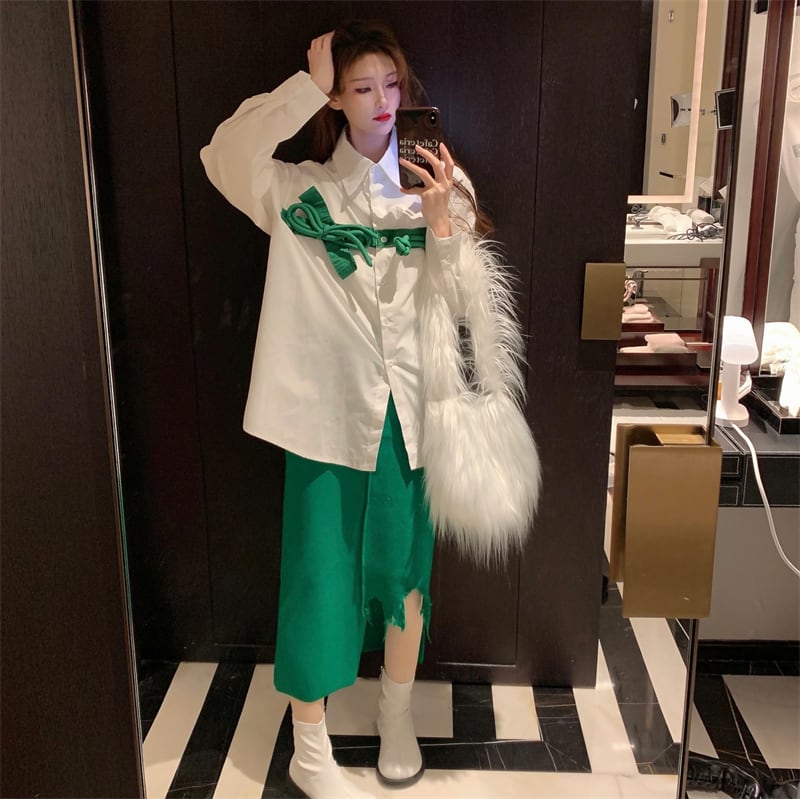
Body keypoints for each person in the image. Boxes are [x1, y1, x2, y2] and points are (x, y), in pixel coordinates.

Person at [200, 20, 493, 799]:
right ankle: (310, 747)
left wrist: (442, 225)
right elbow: (223, 156)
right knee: (318, 577)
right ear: (336, 99)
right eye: (361, 87)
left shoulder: (439, 182)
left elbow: (468, 305)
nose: (382, 101)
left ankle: (396, 715)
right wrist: (305, 85)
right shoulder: (298, 191)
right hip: (322, 420)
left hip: (412, 419)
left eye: (392, 84)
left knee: (405, 576)